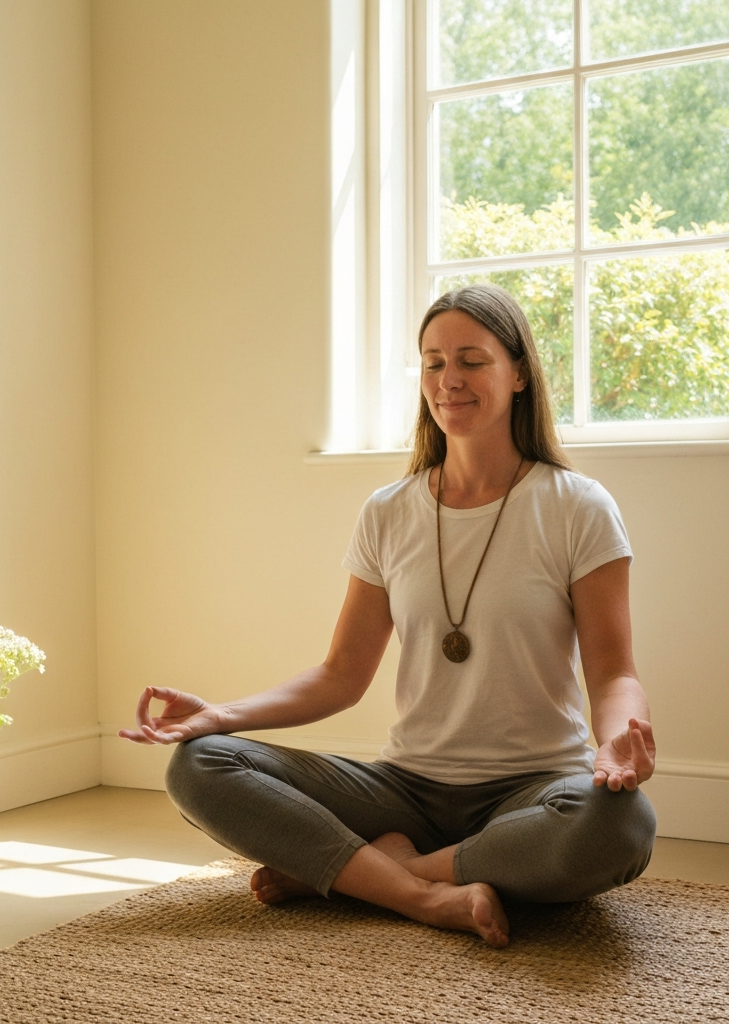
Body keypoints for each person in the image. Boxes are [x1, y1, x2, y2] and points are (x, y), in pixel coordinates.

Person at [119, 284, 657, 948]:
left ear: (518, 373)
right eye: (432, 363)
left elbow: (612, 674)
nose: (448, 380)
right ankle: (424, 896)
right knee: (198, 765)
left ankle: (372, 872)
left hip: (534, 790)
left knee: (621, 824)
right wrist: (219, 715)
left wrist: (617, 741)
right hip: (406, 790)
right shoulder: (389, 512)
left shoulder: (578, 506)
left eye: (471, 360)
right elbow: (340, 676)